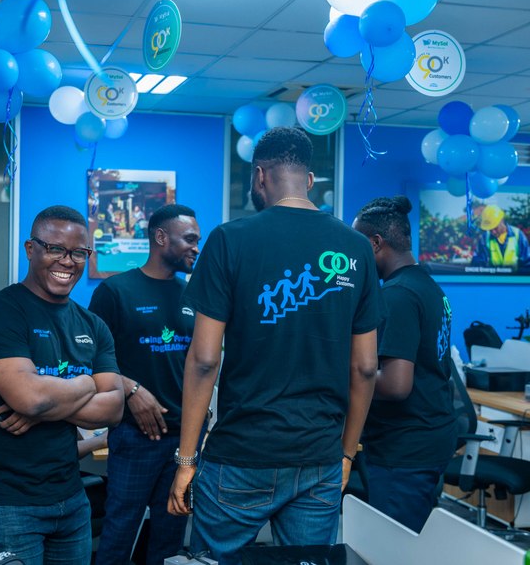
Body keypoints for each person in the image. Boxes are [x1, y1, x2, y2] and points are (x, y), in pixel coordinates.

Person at [167, 127, 384, 564]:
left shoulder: (229, 239)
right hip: (320, 457)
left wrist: (186, 460)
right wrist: (346, 454)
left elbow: (205, 360)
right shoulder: (357, 247)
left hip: (241, 454)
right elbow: (364, 367)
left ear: (260, 176)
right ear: (309, 180)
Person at [0, 205, 124, 565]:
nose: (67, 261)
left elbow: (114, 408)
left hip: (72, 497)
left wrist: (47, 406)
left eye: (78, 252)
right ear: (30, 249)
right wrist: (85, 383)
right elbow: (30, 398)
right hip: (6, 501)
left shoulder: (93, 325)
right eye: (55, 249)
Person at [90, 204, 202, 565]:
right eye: (189, 239)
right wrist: (130, 389)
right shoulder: (115, 291)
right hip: (134, 436)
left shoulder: (193, 295)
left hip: (183, 439)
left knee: (170, 542)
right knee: (119, 535)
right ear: (161, 237)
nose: (196, 247)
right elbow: (90, 358)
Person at [353, 196, 457, 533]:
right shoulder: (427, 286)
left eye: (357, 246)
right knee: (411, 540)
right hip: (430, 435)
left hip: (404, 449)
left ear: (375, 243)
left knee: (392, 546)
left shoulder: (397, 295)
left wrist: (347, 374)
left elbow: (397, 385)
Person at [471, 204, 530, 271]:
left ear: (501, 221)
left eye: (495, 228)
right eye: (490, 229)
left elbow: (527, 263)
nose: (493, 232)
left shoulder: (518, 235)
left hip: (514, 277)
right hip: (493, 277)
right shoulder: (485, 238)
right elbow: (478, 264)